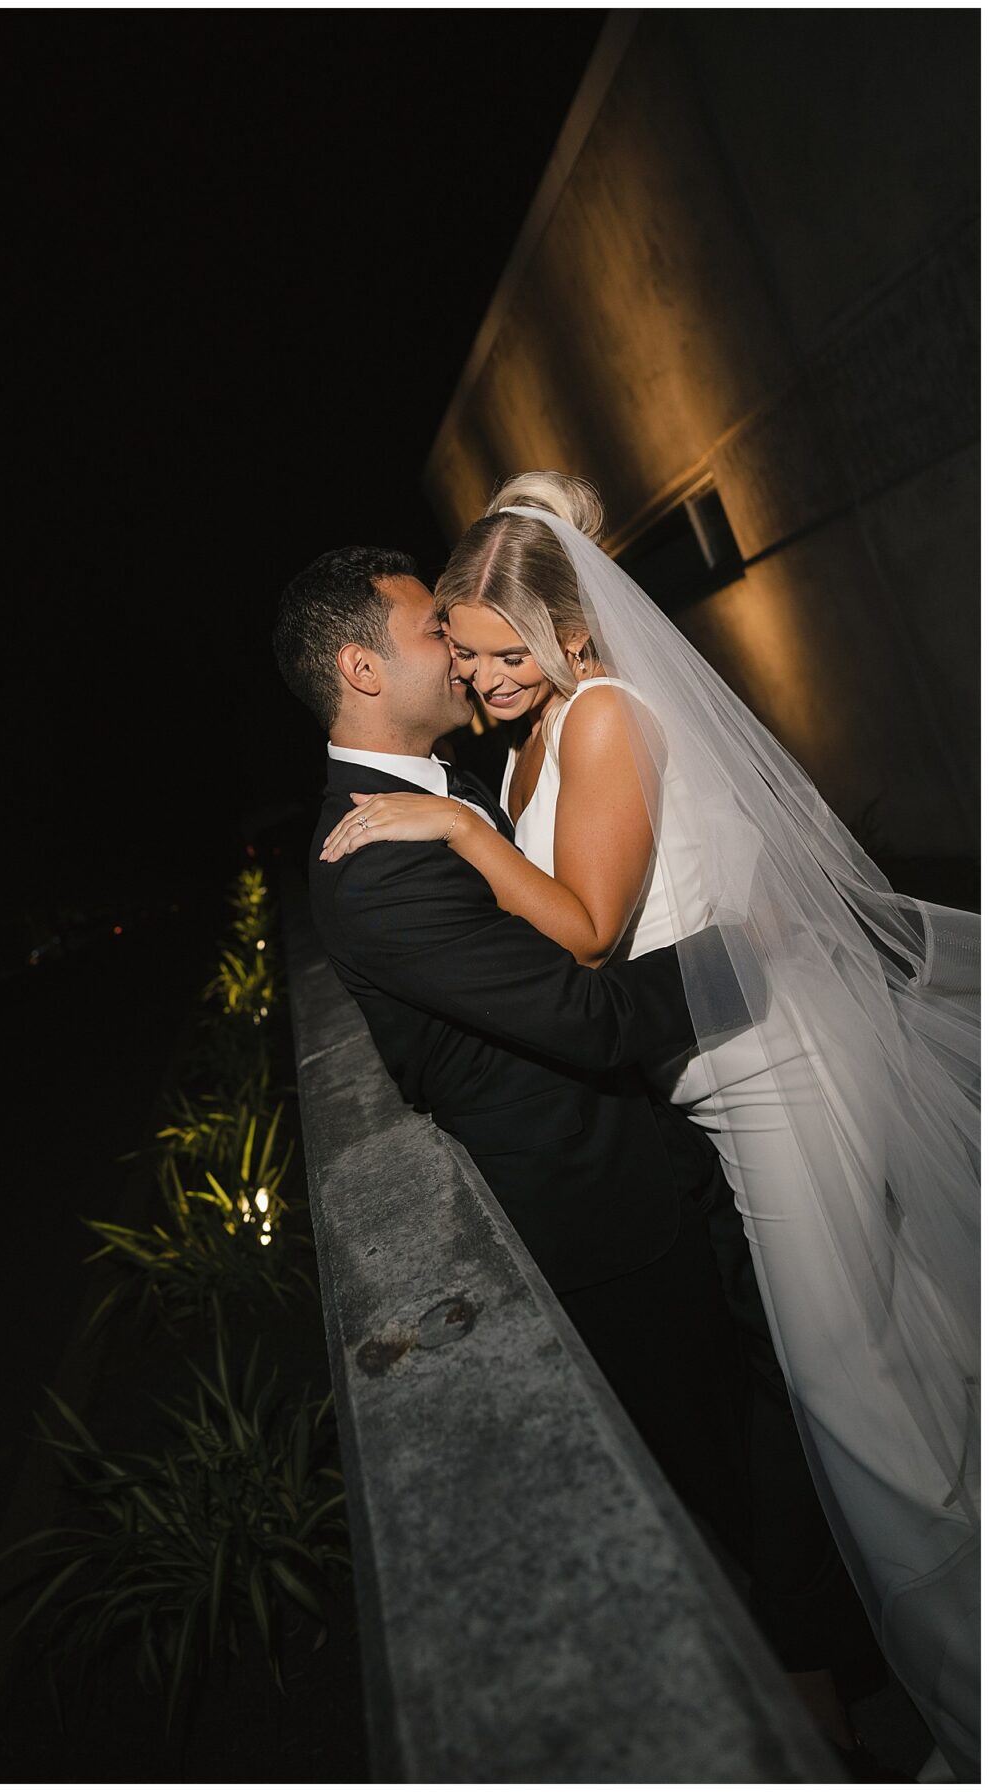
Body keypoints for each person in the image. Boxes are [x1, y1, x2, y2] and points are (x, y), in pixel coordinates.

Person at [318, 474, 980, 1778]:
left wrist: (454, 826)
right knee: (864, 1352)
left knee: (846, 1377)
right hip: (703, 1089)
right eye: (470, 649)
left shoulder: (608, 717)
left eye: (516, 653)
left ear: (575, 636)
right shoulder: (526, 736)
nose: (492, 676)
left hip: (771, 1072)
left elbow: (582, 932)